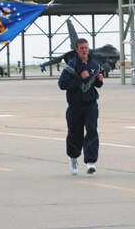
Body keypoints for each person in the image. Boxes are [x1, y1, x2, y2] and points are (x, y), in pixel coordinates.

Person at [58, 38, 104, 175]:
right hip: (75, 106)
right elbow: (62, 84)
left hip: (90, 104)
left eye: (86, 47)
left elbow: (96, 84)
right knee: (74, 133)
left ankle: (90, 161)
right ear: (76, 50)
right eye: (82, 48)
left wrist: (99, 81)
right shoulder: (71, 66)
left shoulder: (94, 64)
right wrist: (79, 78)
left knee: (91, 129)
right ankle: (73, 158)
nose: (84, 50)